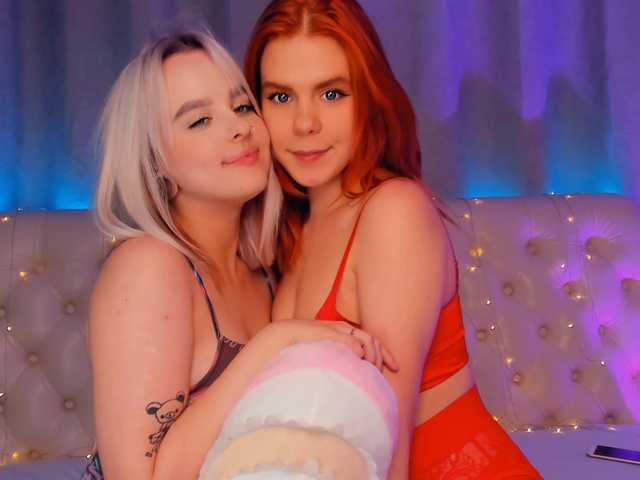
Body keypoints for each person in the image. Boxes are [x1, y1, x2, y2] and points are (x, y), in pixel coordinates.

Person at [244, 1, 542, 478]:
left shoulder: (393, 211)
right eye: (281, 97)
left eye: (331, 93)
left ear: (369, 96)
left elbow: (387, 439)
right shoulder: (293, 226)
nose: (304, 123)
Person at [85, 29, 382, 480]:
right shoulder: (148, 267)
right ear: (155, 160)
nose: (240, 127)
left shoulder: (268, 271)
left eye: (242, 106)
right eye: (199, 120)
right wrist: (272, 344)